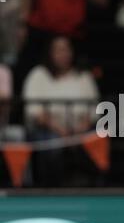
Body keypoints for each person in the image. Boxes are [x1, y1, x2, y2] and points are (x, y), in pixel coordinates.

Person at [22, 36, 99, 185]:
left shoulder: (83, 76)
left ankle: (90, 186)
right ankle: (52, 188)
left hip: (81, 130)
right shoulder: (38, 75)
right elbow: (34, 111)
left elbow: (94, 110)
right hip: (48, 129)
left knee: (95, 140)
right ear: (50, 53)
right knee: (52, 145)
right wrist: (60, 131)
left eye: (66, 49)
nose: (63, 54)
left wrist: (80, 129)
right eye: (58, 50)